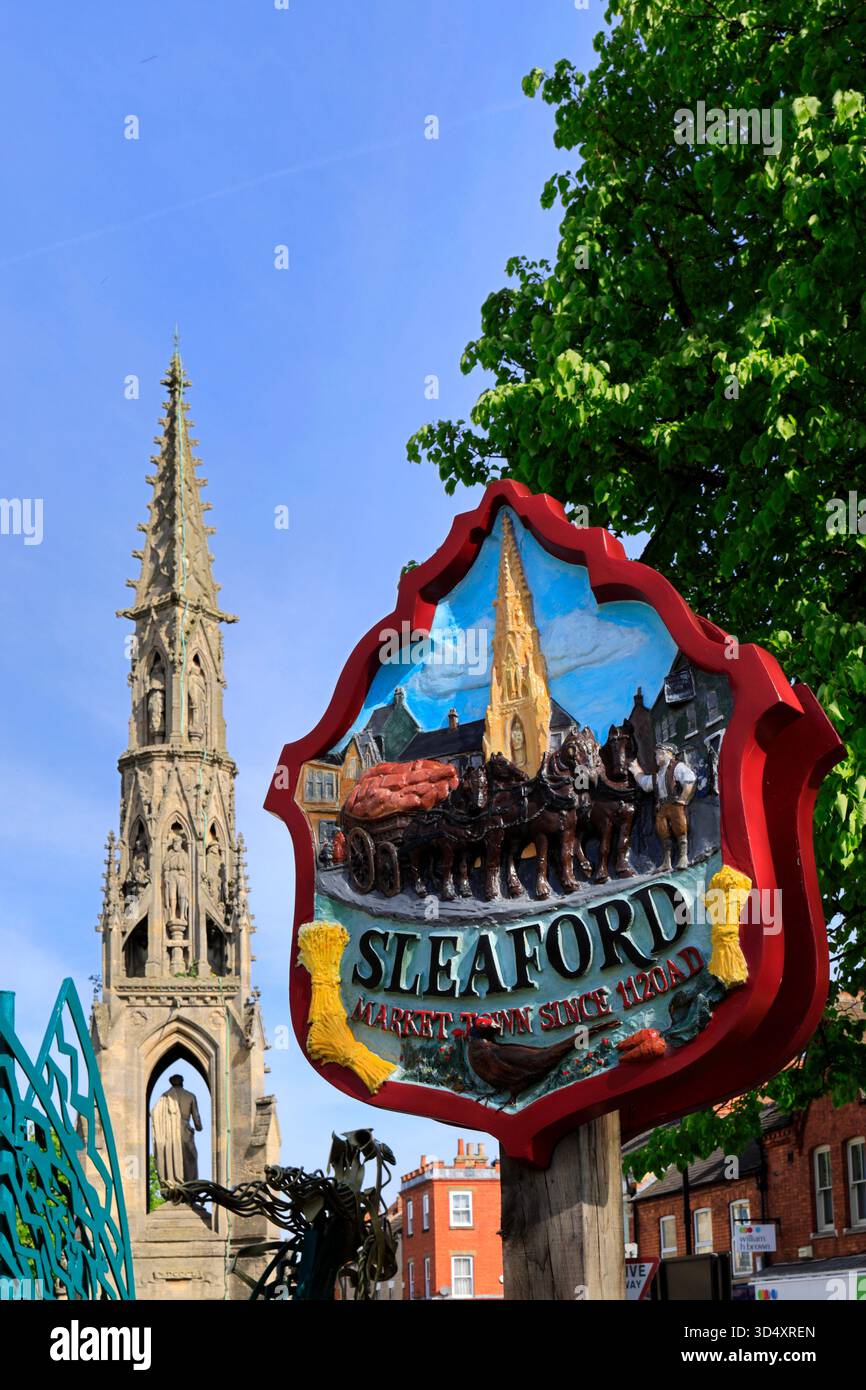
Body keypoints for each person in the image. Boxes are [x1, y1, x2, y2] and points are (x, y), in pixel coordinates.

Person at [630, 744, 696, 872]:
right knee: (663, 831)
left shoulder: (677, 767)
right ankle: (667, 861)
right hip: (662, 806)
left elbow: (690, 780)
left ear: (667, 753)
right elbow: (646, 784)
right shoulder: (658, 775)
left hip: (675, 804)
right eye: (656, 754)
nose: (656, 756)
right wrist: (636, 771)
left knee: (680, 828)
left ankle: (683, 857)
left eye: (658, 753)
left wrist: (683, 800)